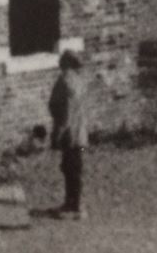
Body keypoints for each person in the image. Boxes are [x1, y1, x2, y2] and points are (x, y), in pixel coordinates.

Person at [48, 50, 89, 219]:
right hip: (80, 133)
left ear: (65, 64)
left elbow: (65, 114)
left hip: (69, 135)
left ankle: (74, 206)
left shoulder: (64, 82)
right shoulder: (79, 81)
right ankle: (72, 203)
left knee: (70, 168)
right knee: (75, 167)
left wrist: (57, 134)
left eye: (62, 61)